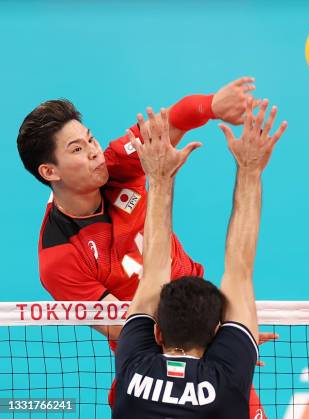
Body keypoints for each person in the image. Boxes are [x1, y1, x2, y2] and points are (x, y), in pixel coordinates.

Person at [16, 78, 275, 416]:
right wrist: (226, 332)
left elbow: (173, 120)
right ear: (50, 170)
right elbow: (124, 325)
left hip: (200, 326)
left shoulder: (115, 163)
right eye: (77, 149)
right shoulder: (60, 259)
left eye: (90, 138)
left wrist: (212, 105)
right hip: (154, 353)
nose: (93, 150)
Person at [112, 99, 286, 418]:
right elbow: (239, 270)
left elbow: (152, 273)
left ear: (157, 333)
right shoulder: (229, 381)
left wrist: (161, 179)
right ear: (218, 333)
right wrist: (250, 169)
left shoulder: (132, 369)